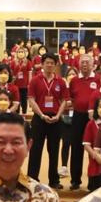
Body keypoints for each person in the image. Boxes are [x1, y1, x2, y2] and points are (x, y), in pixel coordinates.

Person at [27, 54, 69, 189]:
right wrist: (41, 115)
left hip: (56, 119)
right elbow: (31, 100)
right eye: (47, 62)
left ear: (55, 65)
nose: (49, 65)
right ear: (42, 64)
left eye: (52, 63)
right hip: (39, 118)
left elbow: (64, 101)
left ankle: (54, 180)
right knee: (35, 149)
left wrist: (58, 115)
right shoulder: (35, 80)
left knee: (54, 150)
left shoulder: (60, 81)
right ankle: (32, 179)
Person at [67, 54, 100, 190]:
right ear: (79, 65)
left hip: (94, 118)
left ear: (93, 65)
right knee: (76, 147)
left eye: (87, 62)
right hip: (78, 116)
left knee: (95, 148)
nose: (85, 64)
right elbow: (70, 98)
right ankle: (75, 180)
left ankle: (94, 181)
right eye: (82, 62)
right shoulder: (74, 80)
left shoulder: (98, 79)